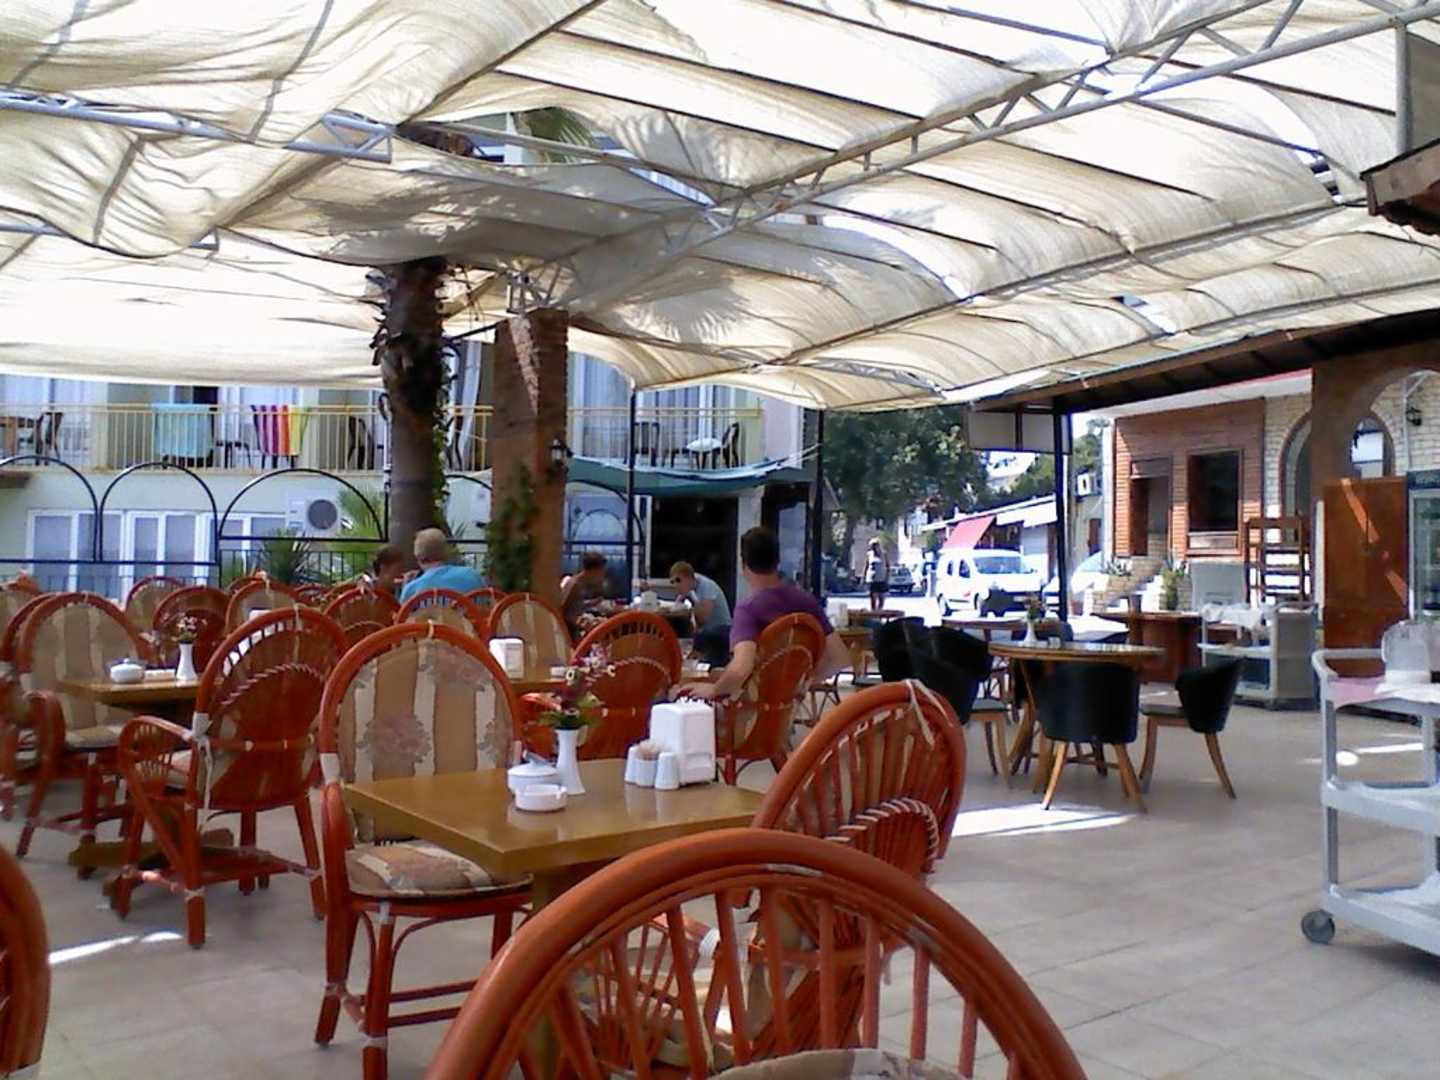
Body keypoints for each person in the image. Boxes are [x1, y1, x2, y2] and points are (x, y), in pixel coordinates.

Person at [678, 527, 848, 701]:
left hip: (750, 709)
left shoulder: (748, 609)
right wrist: (804, 681)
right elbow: (840, 658)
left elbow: (740, 669)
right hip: (787, 707)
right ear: (777, 561)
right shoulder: (806, 602)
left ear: (743, 565)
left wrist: (714, 690)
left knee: (686, 700)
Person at [670, 560, 732, 667]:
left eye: (678, 580)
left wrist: (690, 600)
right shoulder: (692, 585)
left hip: (721, 629)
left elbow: (703, 618)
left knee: (699, 638)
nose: (676, 585)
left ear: (689, 577)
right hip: (706, 630)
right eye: (673, 582)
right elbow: (677, 605)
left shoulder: (707, 586)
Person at [398, 528, 484, 602]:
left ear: (419, 558)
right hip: (472, 617)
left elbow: (403, 614)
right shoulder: (473, 575)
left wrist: (405, 587)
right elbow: (487, 604)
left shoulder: (413, 589)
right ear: (446, 552)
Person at [560, 551, 609, 638]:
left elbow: (575, 605)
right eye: (601, 571)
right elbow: (562, 608)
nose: (602, 575)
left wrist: (591, 603)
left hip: (575, 627)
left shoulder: (582, 584)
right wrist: (578, 622)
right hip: (569, 630)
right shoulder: (574, 584)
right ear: (594, 570)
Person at [864, 537, 890, 612]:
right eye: (872, 546)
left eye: (875, 545)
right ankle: (873, 614)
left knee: (881, 599)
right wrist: (864, 577)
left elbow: (888, 566)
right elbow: (866, 566)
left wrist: (887, 578)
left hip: (882, 579)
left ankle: (879, 612)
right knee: (873, 600)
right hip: (872, 580)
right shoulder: (869, 554)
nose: (874, 548)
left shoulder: (884, 554)